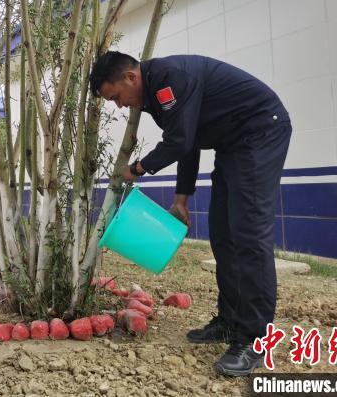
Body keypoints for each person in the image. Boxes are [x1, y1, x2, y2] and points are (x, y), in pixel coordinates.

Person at [89, 51, 291, 377]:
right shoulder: (154, 94)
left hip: (260, 132)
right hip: (234, 145)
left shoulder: (170, 79)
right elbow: (190, 141)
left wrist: (137, 169)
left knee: (249, 234)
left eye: (116, 97)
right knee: (223, 233)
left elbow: (180, 141)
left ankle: (255, 338)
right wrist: (182, 198)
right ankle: (229, 321)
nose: (120, 106)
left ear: (130, 78)